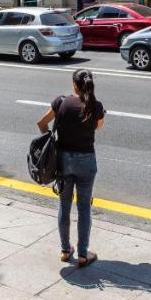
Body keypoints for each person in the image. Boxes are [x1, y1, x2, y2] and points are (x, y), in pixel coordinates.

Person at [37, 69, 105, 267]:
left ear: (74, 84)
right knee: (84, 207)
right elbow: (98, 127)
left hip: (64, 161)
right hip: (87, 161)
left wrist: (49, 138)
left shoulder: (61, 102)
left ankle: (65, 251)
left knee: (64, 206)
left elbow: (41, 123)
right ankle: (83, 254)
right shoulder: (96, 106)